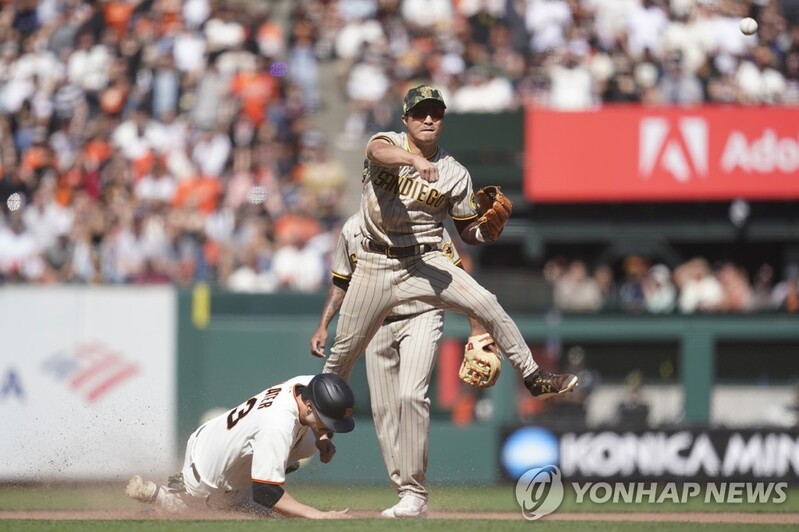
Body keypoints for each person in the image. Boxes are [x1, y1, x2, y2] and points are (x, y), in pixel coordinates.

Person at [318, 84, 578, 516]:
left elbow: (466, 232)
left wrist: (484, 231)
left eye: (435, 113)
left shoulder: (455, 172)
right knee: (336, 365)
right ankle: (302, 434)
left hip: (424, 261)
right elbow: (377, 151)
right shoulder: (388, 143)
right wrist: (414, 160)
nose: (428, 119)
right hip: (375, 265)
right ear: (406, 119)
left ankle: (533, 376)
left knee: (483, 303)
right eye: (420, 113)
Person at [310, 213, 489, 518]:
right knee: (384, 411)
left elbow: (458, 273)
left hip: (423, 313)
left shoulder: (424, 217)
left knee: (411, 395)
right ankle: (407, 493)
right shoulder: (353, 229)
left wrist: (476, 328)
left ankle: (415, 492)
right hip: (375, 322)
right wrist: (323, 324)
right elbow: (340, 281)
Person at [125, 373, 355, 519]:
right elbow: (266, 492)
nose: (330, 427)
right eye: (327, 421)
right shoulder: (277, 426)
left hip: (212, 437)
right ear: (309, 406)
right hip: (208, 476)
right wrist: (316, 515)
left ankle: (173, 486)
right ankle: (159, 493)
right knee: (199, 507)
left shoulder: (306, 384)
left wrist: (322, 437)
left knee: (306, 444)